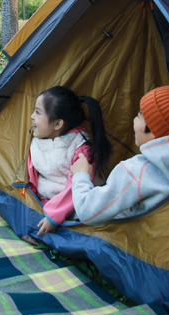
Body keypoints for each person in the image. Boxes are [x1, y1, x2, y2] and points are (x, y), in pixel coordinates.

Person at [70, 81, 169, 224]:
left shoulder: (136, 171)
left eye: (139, 116)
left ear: (155, 130)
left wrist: (81, 174)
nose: (133, 120)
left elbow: (86, 211)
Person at [26, 86, 113, 237]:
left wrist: (53, 217)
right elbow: (32, 171)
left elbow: (76, 186)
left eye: (38, 112)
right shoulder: (37, 138)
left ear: (57, 124)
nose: (32, 116)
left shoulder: (81, 147)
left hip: (76, 204)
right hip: (46, 200)